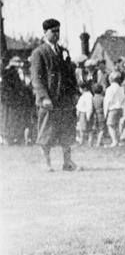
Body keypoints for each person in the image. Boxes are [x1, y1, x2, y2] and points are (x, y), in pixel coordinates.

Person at [29, 18, 80, 171]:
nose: (57, 34)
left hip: (64, 99)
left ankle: (67, 161)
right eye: (53, 31)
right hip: (49, 99)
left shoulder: (63, 51)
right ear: (45, 32)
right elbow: (36, 78)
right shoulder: (39, 53)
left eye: (58, 31)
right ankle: (47, 162)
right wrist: (43, 97)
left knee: (67, 130)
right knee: (47, 130)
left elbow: (70, 75)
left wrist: (74, 92)